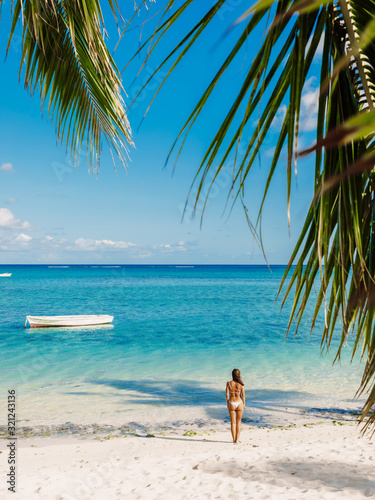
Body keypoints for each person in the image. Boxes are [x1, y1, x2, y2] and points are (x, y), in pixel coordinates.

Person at [226, 368, 245, 443]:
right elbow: (243, 396)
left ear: (232, 375)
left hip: (231, 402)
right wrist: (244, 404)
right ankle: (237, 440)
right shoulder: (241, 384)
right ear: (239, 375)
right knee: (238, 422)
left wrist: (228, 403)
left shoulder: (228, 383)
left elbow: (227, 395)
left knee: (233, 422)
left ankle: (234, 440)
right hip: (239, 402)